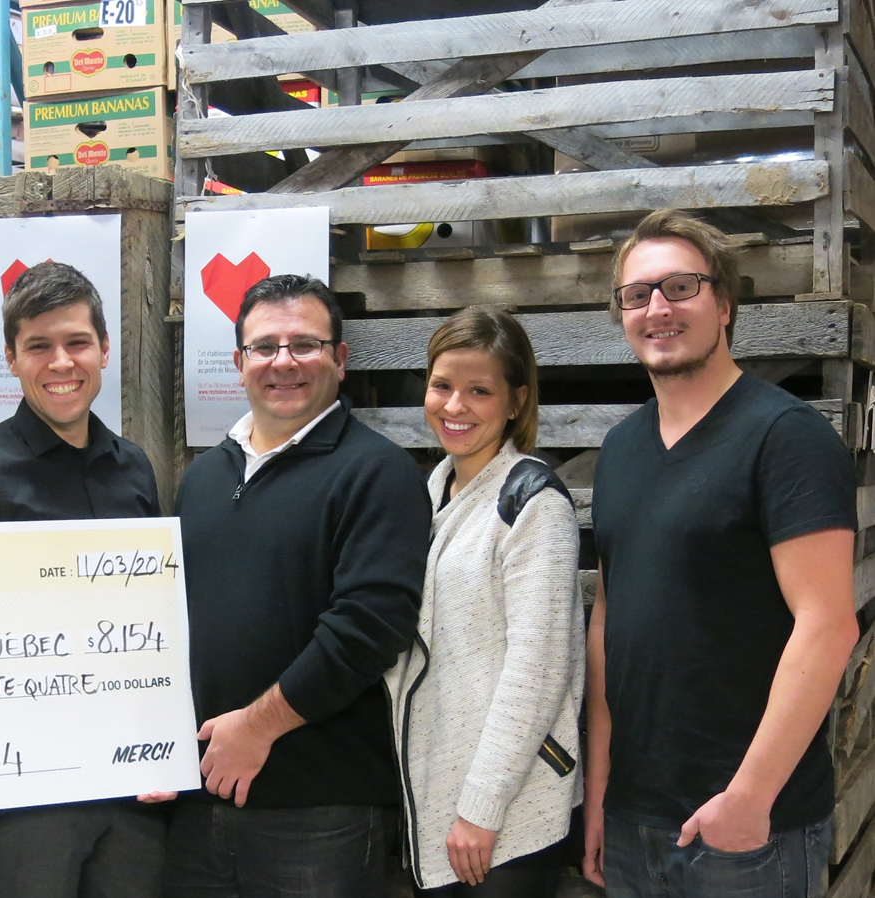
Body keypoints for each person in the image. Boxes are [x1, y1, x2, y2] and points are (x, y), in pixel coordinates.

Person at [583, 209, 858, 897]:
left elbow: (827, 625)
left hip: (746, 827)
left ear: (725, 304)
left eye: (680, 287)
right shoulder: (620, 450)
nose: (657, 308)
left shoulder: (785, 437)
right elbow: (609, 620)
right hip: (634, 816)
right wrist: (600, 787)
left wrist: (750, 797)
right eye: (637, 294)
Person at [168, 274, 430, 898]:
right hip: (197, 808)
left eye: (305, 345)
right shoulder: (201, 479)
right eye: (265, 347)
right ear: (239, 363)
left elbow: (368, 630)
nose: (283, 362)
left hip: (321, 817)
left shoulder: (378, 473)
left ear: (340, 360)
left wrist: (254, 730)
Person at [0, 261, 165, 898]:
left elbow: (157, 622)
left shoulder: (135, 468)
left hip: (132, 787)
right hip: (28, 798)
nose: (61, 362)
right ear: (11, 358)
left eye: (77, 343)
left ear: (105, 349)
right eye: (39, 346)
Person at [384, 307, 584, 897]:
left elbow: (537, 671)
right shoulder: (431, 489)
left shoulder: (531, 503)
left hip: (506, 815)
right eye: (442, 386)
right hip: (440, 795)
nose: (454, 406)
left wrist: (482, 807)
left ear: (517, 401)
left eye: (479, 390)